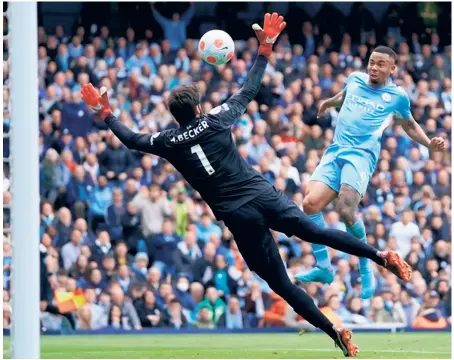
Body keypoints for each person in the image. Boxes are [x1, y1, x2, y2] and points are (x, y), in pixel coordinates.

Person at [81, 13, 412, 357]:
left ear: (176, 115)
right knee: (315, 233)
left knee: (281, 284)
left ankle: (334, 330)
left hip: (238, 216)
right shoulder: (215, 119)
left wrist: (107, 114)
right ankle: (379, 255)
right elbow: (249, 88)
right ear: (197, 107)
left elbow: (133, 139)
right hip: (262, 194)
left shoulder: (167, 141)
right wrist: (265, 49)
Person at [296, 45, 446, 299]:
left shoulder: (397, 96)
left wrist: (429, 143)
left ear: (392, 68)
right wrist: (329, 102)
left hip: (361, 156)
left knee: (345, 209)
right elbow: (345, 96)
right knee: (309, 205)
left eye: (380, 64)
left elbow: (408, 124)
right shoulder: (354, 78)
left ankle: (366, 264)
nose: (374, 67)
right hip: (335, 151)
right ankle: (324, 267)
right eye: (372, 62)